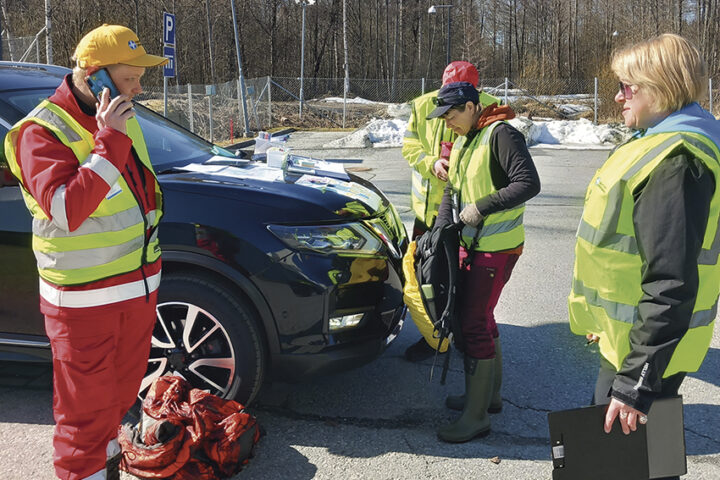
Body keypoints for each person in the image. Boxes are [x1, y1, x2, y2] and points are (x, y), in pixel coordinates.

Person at [4, 24, 167, 480]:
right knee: (83, 418)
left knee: (118, 400)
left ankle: (107, 464)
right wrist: (109, 141)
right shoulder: (39, 131)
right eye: (130, 77)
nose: (139, 87)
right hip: (83, 301)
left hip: (135, 289)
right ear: (96, 75)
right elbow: (67, 209)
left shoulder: (117, 114)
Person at [568, 33, 720, 479]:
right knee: (635, 464)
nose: (617, 97)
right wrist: (605, 323)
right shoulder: (659, 143)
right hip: (630, 341)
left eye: (627, 87)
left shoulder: (676, 159)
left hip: (646, 356)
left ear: (662, 86)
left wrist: (637, 382)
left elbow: (671, 280)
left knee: (627, 466)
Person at [426, 81, 540, 442]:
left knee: (473, 321)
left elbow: (528, 183)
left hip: (498, 247)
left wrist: (480, 207)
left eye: (452, 114)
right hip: (473, 244)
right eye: (443, 117)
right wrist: (443, 224)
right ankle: (488, 398)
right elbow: (452, 188)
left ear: (473, 106)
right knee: (480, 318)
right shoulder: (464, 139)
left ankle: (476, 417)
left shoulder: (501, 134)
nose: (448, 123)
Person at [402, 61, 499, 362]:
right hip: (429, 213)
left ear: (474, 95)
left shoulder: (491, 109)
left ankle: (465, 333)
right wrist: (431, 162)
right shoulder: (421, 106)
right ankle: (431, 337)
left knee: (465, 283)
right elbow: (409, 145)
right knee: (427, 281)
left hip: (466, 217)